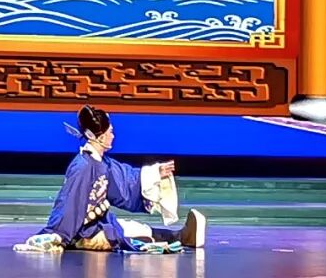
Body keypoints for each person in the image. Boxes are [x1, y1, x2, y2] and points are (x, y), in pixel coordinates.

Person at [14, 105, 206, 254]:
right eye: (110, 132)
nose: (113, 136)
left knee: (135, 227)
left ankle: (183, 235)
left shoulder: (100, 162)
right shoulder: (83, 166)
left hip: (100, 223)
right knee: (133, 236)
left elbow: (125, 178)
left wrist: (155, 173)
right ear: (98, 137)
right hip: (86, 232)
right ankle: (182, 237)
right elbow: (69, 203)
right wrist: (59, 235)